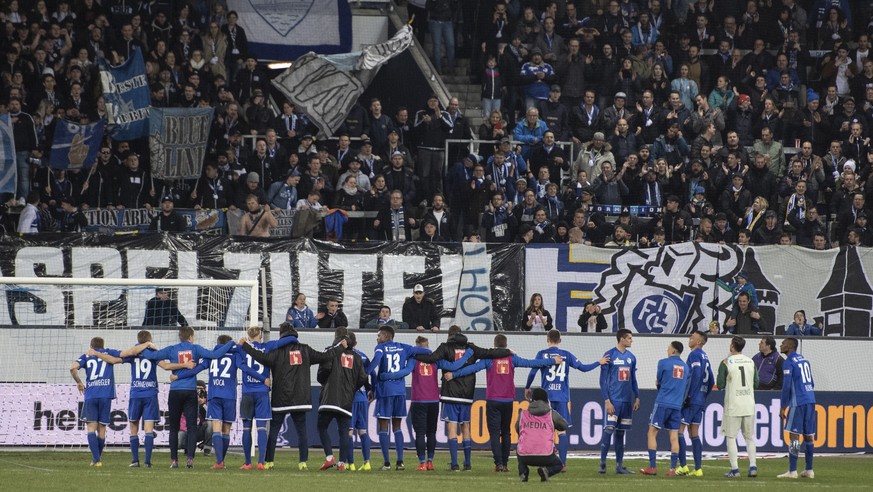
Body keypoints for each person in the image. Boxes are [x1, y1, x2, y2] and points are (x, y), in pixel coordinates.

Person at [239, 323, 347, 470]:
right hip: (300, 399)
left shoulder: (277, 351)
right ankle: (303, 462)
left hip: (280, 398)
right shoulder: (305, 349)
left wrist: (246, 346)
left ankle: (269, 461)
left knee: (274, 431)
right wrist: (340, 348)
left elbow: (262, 358)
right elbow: (324, 356)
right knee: (302, 432)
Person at [448, 334, 562, 472]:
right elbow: (532, 363)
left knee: (495, 433)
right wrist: (552, 361)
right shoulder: (512, 358)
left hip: (493, 401)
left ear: (495, 345)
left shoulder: (489, 359)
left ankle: (499, 464)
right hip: (508, 401)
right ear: (506, 345)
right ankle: (505, 464)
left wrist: (453, 374)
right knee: (506, 432)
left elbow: (471, 369)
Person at [412, 326, 512, 471]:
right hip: (467, 394)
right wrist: (507, 351)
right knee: (465, 427)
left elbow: (432, 358)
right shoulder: (471, 348)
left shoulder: (445, 347)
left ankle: (454, 464)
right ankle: (467, 463)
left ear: (450, 336)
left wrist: (413, 354)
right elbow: (490, 352)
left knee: (452, 427)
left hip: (450, 393)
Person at [87, 331, 187, 468]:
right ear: (149, 340)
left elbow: (113, 360)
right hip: (150, 394)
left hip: (136, 394)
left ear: (138, 340)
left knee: (133, 428)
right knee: (149, 429)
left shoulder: (132, 354)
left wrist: (97, 354)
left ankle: (135, 461)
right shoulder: (152, 354)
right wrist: (184, 365)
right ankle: (147, 461)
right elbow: (166, 366)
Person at [140, 327, 235, 468]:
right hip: (190, 391)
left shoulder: (172, 349)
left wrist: (144, 346)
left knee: (173, 427)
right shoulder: (195, 349)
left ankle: (174, 461)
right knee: (192, 427)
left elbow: (151, 356)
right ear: (191, 336)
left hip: (175, 391)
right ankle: (190, 459)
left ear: (180, 337)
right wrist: (230, 343)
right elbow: (215, 355)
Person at [379, 332, 474, 470]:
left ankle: (422, 463)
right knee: (431, 433)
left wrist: (386, 375)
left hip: (419, 401)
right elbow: (453, 366)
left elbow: (405, 371)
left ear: (417, 347)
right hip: (434, 401)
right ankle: (430, 461)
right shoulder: (436, 359)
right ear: (427, 346)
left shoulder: (414, 359)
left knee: (420, 433)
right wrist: (466, 356)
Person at [524, 329, 609, 468]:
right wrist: (599, 362)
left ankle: (546, 462)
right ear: (560, 340)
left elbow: (533, 371)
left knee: (546, 430)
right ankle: (562, 464)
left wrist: (527, 387)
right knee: (562, 432)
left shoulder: (542, 354)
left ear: (547, 339)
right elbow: (583, 368)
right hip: (562, 398)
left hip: (546, 399)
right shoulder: (566, 355)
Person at [70, 337, 153, 466]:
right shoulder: (109, 352)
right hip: (106, 396)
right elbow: (128, 353)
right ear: (103, 346)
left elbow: (72, 368)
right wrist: (147, 344)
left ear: (91, 346)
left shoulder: (86, 356)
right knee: (102, 429)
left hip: (91, 395)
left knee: (91, 428)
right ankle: (96, 459)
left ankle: (97, 460)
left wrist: (79, 382)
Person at [366, 325, 435, 470]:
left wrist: (365, 372)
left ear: (386, 336)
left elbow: (376, 361)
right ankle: (400, 462)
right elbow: (427, 351)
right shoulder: (404, 347)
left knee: (383, 426)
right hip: (400, 392)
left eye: (379, 335)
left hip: (385, 391)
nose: (377, 338)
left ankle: (386, 463)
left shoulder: (380, 348)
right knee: (397, 426)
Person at [171, 335, 242, 469]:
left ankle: (219, 461)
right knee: (226, 430)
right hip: (230, 395)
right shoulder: (235, 355)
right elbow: (244, 367)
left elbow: (195, 370)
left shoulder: (211, 356)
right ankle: (221, 461)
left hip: (214, 396)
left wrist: (178, 376)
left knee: (216, 427)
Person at [236, 326, 300, 470]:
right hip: (262, 393)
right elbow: (290, 339)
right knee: (261, 429)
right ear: (260, 336)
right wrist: (294, 335)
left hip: (247, 392)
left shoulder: (241, 348)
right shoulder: (267, 346)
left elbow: (243, 367)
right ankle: (260, 462)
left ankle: (247, 463)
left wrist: (239, 344)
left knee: (246, 429)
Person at [315, 329, 367, 471]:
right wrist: (351, 388)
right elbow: (363, 378)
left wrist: (325, 383)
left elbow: (323, 371)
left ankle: (329, 458)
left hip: (330, 398)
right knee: (344, 432)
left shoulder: (332, 351)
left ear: (336, 337)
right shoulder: (357, 357)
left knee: (322, 426)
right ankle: (342, 463)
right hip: (346, 400)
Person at [640, 341, 689, 476]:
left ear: (673, 350)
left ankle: (652, 467)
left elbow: (659, 380)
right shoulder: (686, 367)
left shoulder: (663, 363)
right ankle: (672, 469)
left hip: (663, 402)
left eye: (668, 348)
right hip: (677, 405)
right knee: (674, 436)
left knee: (652, 432)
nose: (667, 350)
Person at [598, 328, 640, 474]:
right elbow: (602, 381)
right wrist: (607, 401)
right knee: (609, 429)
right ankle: (602, 463)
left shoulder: (632, 358)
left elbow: (633, 380)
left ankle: (619, 466)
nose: (631, 340)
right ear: (621, 339)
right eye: (629, 338)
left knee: (621, 433)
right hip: (614, 400)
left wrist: (637, 396)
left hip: (627, 402)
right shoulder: (609, 355)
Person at [717, 336, 759, 478]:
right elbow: (756, 383)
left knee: (731, 437)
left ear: (732, 346)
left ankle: (735, 470)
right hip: (749, 403)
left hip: (734, 404)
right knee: (749, 437)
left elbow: (720, 384)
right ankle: (753, 467)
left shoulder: (726, 362)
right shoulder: (751, 361)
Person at [675, 330, 714, 477]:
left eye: (692, 337)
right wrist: (703, 395)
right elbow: (711, 381)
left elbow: (696, 374)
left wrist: (690, 395)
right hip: (700, 400)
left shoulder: (694, 354)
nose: (689, 338)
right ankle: (698, 469)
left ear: (699, 341)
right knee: (694, 433)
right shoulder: (705, 356)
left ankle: (683, 466)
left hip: (692, 399)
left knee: (679, 430)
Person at [778, 337, 817, 479]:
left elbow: (786, 386)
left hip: (798, 402)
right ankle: (809, 469)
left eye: (783, 343)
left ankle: (792, 471)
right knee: (808, 436)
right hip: (810, 400)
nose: (781, 345)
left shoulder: (788, 362)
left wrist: (783, 406)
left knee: (794, 436)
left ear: (790, 346)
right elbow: (811, 382)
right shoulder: (804, 360)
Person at [516, 387, 568, 482]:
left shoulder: (523, 414)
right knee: (559, 465)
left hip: (525, 456)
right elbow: (564, 425)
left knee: (521, 447)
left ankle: (523, 472)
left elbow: (517, 429)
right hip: (546, 456)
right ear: (546, 400)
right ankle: (547, 471)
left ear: (531, 400)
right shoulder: (551, 413)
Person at [345, 332, 373, 471]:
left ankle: (351, 464)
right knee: (362, 430)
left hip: (349, 397)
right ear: (356, 343)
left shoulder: (343, 356)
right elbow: (371, 372)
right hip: (362, 396)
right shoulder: (362, 355)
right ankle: (367, 462)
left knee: (349, 431)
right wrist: (370, 389)